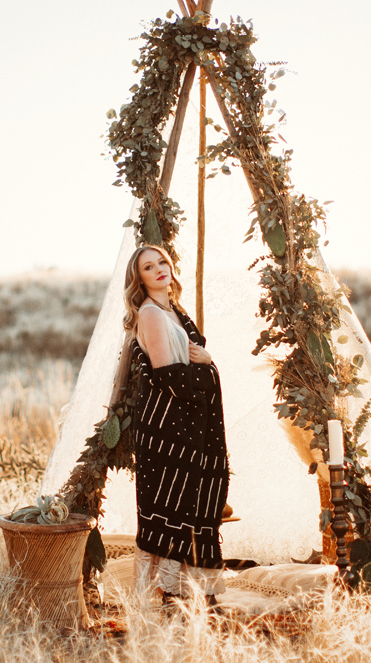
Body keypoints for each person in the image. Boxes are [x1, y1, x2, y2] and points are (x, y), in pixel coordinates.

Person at [122, 244, 229, 604]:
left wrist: (208, 361)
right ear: (140, 279)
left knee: (191, 503)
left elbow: (190, 364)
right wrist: (209, 368)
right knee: (175, 504)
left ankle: (188, 592)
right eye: (148, 267)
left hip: (186, 425)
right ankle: (173, 595)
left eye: (162, 262)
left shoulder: (174, 311)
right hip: (168, 430)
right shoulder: (151, 315)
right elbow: (170, 377)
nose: (158, 270)